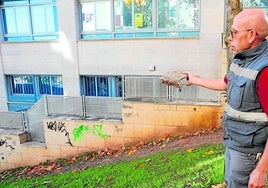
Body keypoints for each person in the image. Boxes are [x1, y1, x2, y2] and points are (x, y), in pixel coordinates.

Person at [184, 8, 268, 188]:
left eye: (234, 33)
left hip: (250, 153)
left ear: (252, 35)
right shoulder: (242, 59)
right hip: (235, 142)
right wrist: (194, 79)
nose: (229, 38)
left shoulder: (265, 70)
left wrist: (261, 170)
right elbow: (226, 83)